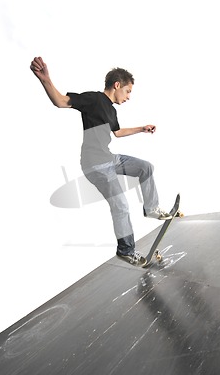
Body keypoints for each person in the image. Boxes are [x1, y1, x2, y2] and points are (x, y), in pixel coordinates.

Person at [30, 56, 171, 267]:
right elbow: (61, 101)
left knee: (145, 167)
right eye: (128, 91)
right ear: (117, 85)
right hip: (95, 165)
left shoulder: (111, 110)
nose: (129, 96)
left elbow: (118, 132)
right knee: (121, 205)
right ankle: (126, 250)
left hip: (110, 159)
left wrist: (142, 128)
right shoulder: (93, 99)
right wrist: (45, 79)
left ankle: (151, 208)